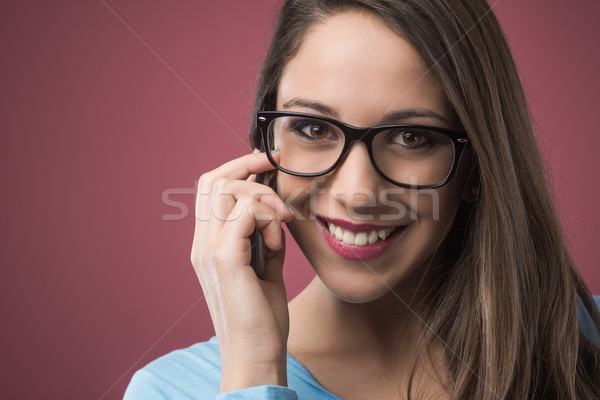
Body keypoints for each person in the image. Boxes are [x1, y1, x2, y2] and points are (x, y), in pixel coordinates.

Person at [124, 0, 600, 399]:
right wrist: (254, 370)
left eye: (412, 137)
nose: (357, 193)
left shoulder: (585, 339)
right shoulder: (170, 391)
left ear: (477, 166)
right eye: (313, 129)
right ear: (264, 147)